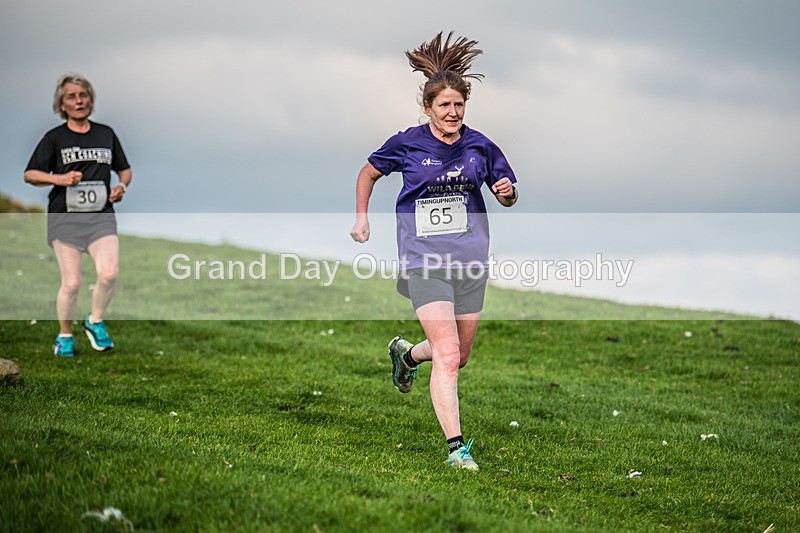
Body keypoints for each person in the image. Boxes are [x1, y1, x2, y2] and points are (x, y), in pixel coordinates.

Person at [350, 32, 518, 471]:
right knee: (447, 356)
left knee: (458, 356)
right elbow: (367, 174)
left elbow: (507, 193)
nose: (452, 112)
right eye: (443, 105)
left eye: (459, 104)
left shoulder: (480, 145)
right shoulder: (407, 143)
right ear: (428, 108)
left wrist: (505, 193)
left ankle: (406, 355)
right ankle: (457, 449)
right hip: (424, 260)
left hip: (471, 261)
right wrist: (362, 218)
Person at [24, 73, 132, 357]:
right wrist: (60, 179)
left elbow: (124, 168)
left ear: (91, 100)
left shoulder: (106, 133)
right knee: (71, 284)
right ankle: (65, 335)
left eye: (83, 95)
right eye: (71, 96)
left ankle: (94, 321)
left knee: (109, 274)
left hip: (101, 217)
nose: (78, 100)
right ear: (62, 105)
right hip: (65, 219)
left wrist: (121, 186)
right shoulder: (54, 138)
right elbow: (30, 174)